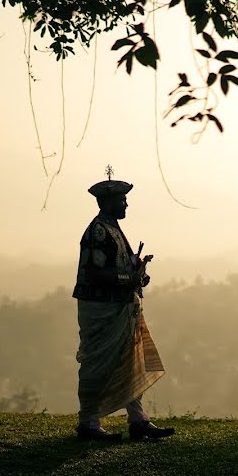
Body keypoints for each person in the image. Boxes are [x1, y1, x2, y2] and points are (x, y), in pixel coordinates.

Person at [71, 174, 174, 442]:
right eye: (122, 200)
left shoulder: (113, 228)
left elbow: (119, 266)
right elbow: (95, 273)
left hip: (121, 307)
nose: (126, 205)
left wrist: (137, 274)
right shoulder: (99, 230)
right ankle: (88, 423)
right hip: (101, 309)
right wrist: (129, 279)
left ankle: (138, 420)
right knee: (98, 363)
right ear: (108, 202)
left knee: (131, 362)